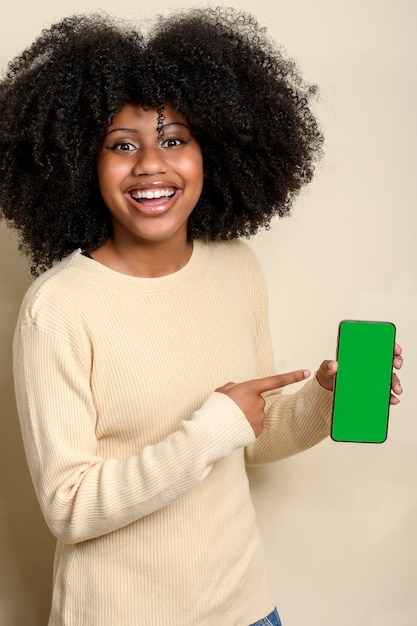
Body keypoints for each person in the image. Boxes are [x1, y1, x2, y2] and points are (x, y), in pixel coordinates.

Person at [0, 7, 403, 626]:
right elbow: (70, 506)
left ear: (210, 151)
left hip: (244, 609)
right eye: (121, 145)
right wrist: (211, 425)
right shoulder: (58, 308)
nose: (150, 166)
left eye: (173, 139)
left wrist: (325, 399)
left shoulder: (234, 268)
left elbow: (252, 435)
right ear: (84, 163)